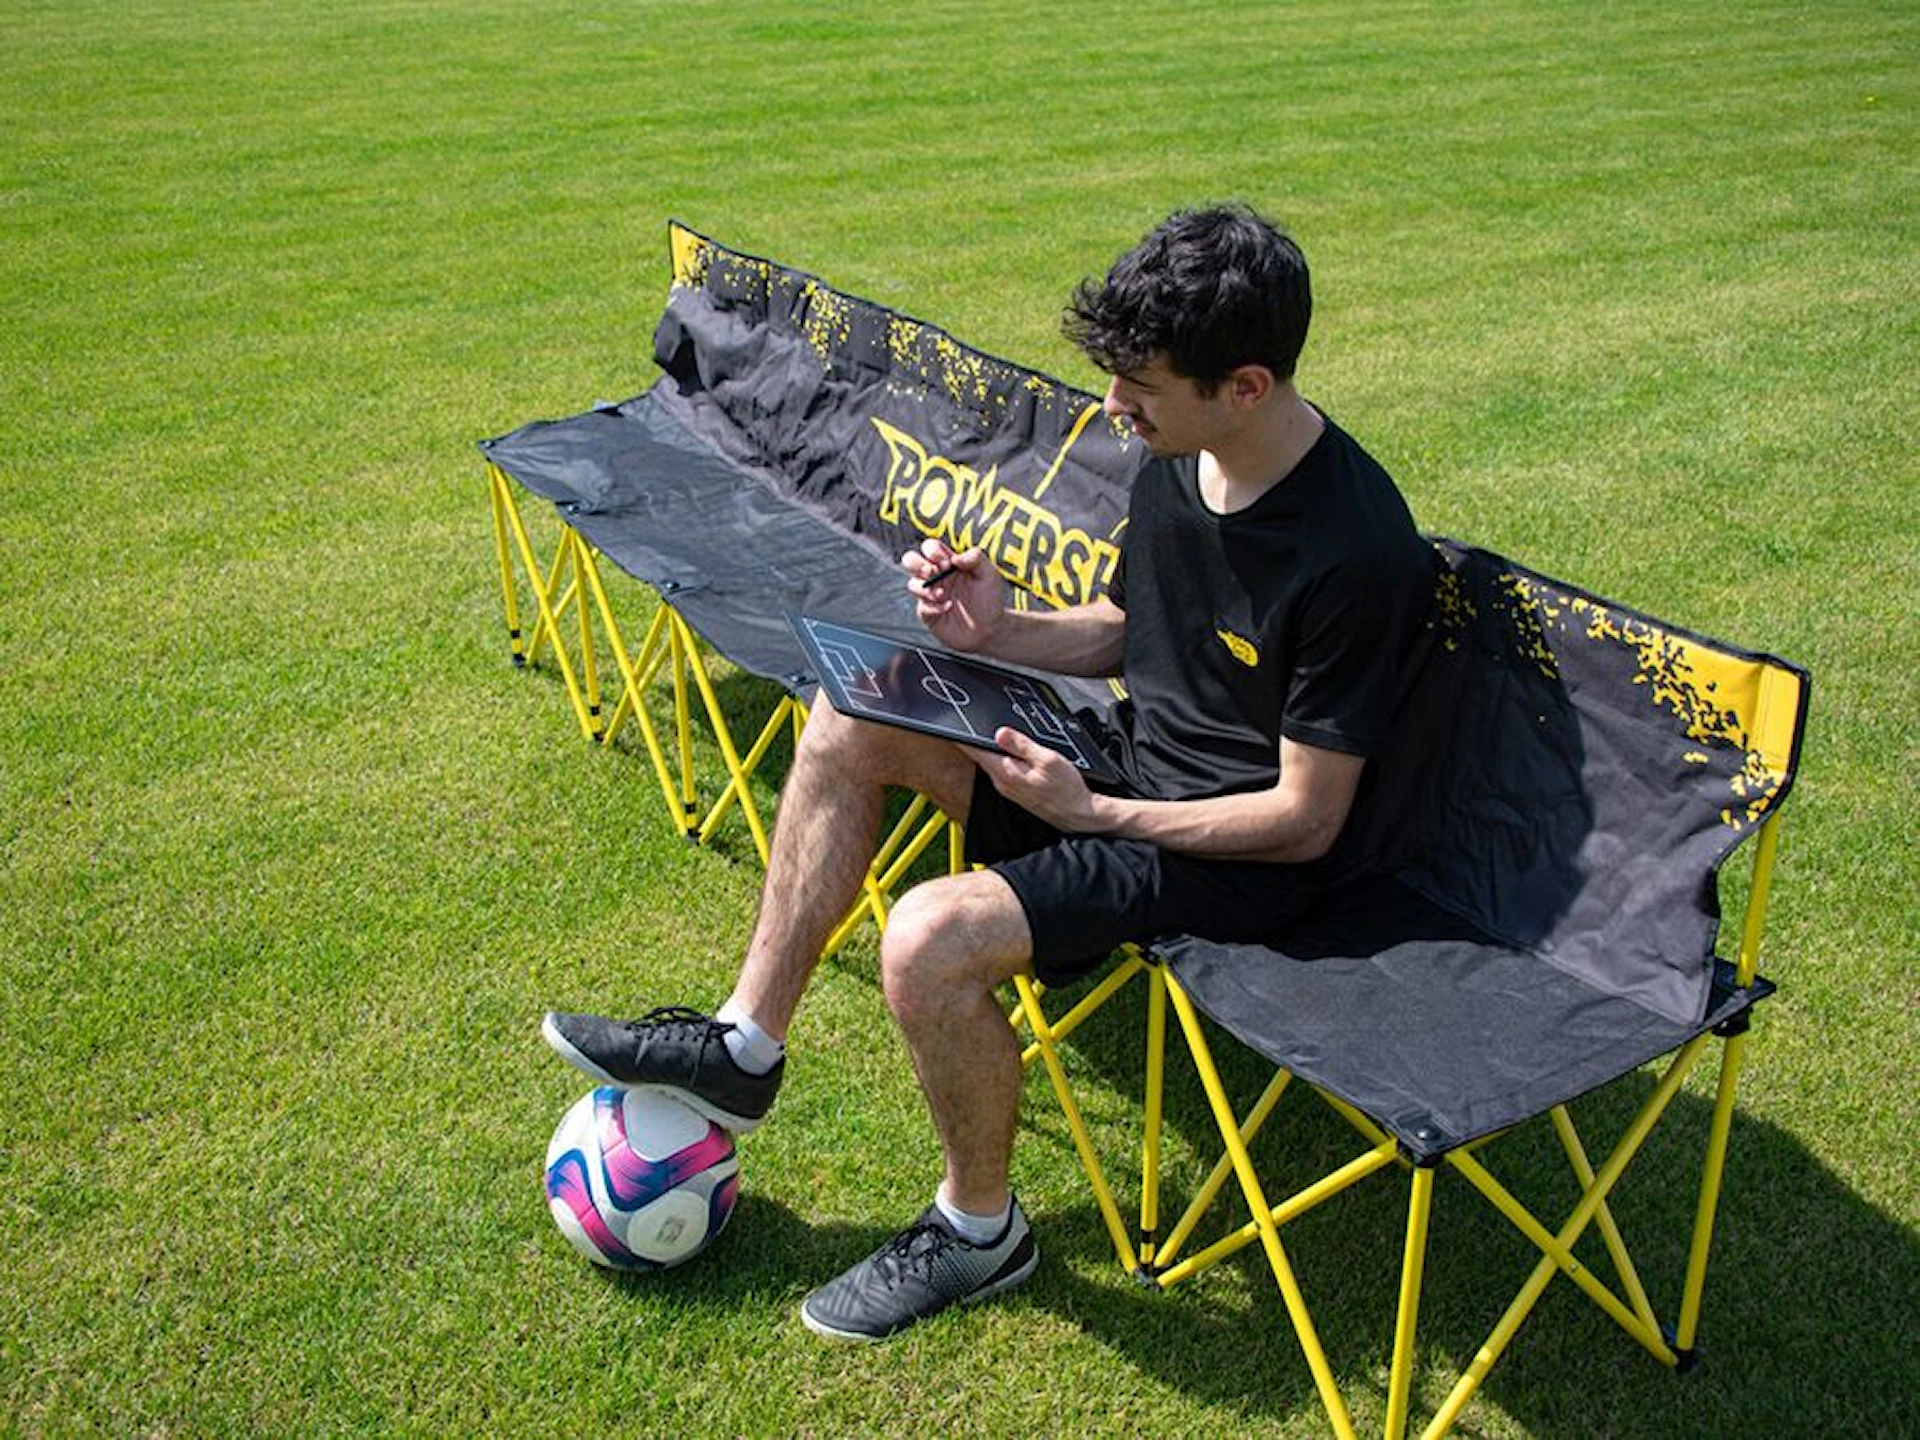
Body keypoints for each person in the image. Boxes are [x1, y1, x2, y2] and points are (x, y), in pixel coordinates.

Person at [542, 204, 1440, 1341]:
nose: (1112, 408)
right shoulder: (1187, 459)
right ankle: (743, 1049)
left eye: (1140, 387)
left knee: (926, 938)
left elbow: (1307, 820)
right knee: (853, 706)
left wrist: (1094, 812)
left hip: (1237, 858)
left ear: (1246, 386)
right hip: (1122, 776)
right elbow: (1131, 629)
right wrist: (997, 629)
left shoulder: (1356, 551)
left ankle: (980, 1231)